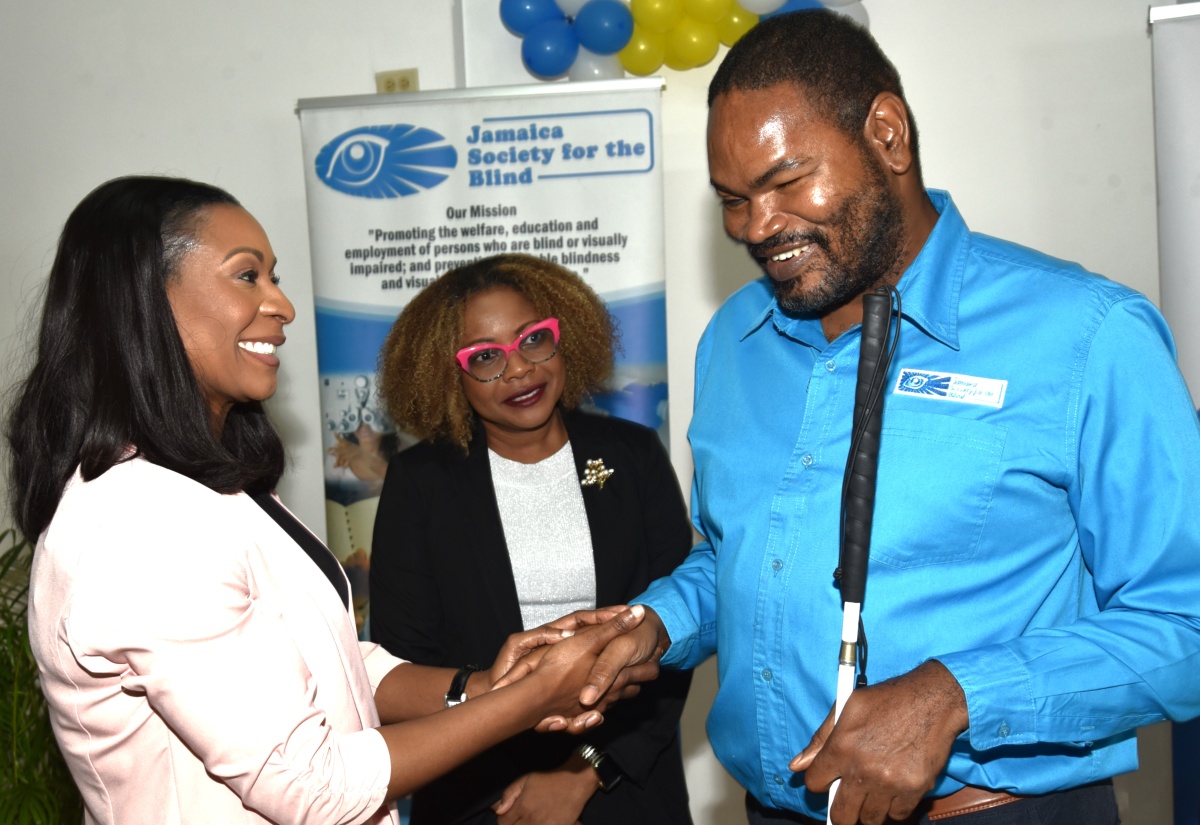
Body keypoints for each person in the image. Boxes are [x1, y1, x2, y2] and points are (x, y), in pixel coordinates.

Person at [552, 10, 1200, 825]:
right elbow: (742, 555)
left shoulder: (1087, 334)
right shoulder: (734, 341)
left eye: (787, 182)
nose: (756, 226)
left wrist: (955, 694)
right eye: (732, 199)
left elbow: (1186, 622)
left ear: (888, 135)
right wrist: (655, 624)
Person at [8, 176, 652, 825]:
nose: (282, 305)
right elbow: (312, 786)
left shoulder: (212, 489)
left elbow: (332, 665)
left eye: (274, 276)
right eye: (247, 276)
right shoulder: (142, 527)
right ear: (145, 303)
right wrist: (537, 692)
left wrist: (478, 685)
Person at [369, 253, 695, 825]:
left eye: (534, 340)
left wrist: (583, 769)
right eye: (487, 356)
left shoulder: (633, 454)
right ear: (451, 373)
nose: (519, 369)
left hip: (625, 785)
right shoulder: (420, 481)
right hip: (476, 789)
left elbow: (674, 635)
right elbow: (403, 661)